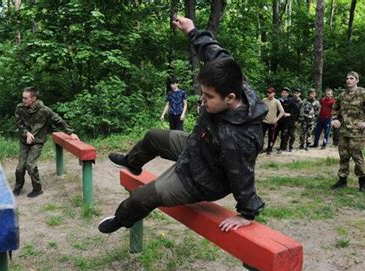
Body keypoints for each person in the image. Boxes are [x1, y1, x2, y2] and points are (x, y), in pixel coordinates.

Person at [98, 16, 267, 234]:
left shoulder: (239, 137)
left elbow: (242, 174)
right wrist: (192, 30)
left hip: (203, 178)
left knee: (142, 197)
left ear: (231, 98)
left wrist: (247, 212)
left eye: (209, 96)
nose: (202, 100)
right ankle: (133, 162)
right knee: (153, 137)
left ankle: (121, 219)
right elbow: (213, 51)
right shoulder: (234, 78)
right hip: (198, 145)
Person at [13, 87, 79, 197]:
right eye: (23, 98)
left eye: (25, 98)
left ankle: (37, 189)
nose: (23, 100)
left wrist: (70, 133)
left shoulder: (44, 110)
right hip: (24, 140)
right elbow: (19, 124)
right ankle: (18, 186)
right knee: (20, 167)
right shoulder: (20, 108)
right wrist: (27, 133)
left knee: (30, 165)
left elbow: (58, 120)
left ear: (33, 98)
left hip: (37, 141)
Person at [331, 71, 365, 192]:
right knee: (343, 156)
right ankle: (342, 180)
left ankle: (362, 182)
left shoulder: (364, 94)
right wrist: (335, 119)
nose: (348, 80)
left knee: (357, 157)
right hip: (344, 131)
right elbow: (335, 108)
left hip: (357, 132)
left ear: (357, 80)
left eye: (351, 78)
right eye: (347, 78)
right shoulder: (342, 95)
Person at [262, 87, 284, 155]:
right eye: (268, 92)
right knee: (261, 136)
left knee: (271, 137)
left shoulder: (276, 101)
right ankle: (260, 148)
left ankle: (269, 150)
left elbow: (282, 112)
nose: (268, 94)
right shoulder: (264, 100)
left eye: (270, 93)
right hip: (264, 122)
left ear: (274, 93)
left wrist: (277, 119)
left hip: (272, 122)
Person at [275, 87, 297, 153]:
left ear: (288, 94)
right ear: (281, 93)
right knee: (274, 133)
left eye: (285, 93)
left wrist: (290, 114)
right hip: (278, 120)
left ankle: (282, 148)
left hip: (286, 121)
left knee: (284, 135)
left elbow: (296, 110)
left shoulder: (290, 101)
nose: (284, 94)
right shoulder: (278, 100)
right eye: (283, 92)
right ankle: (270, 147)